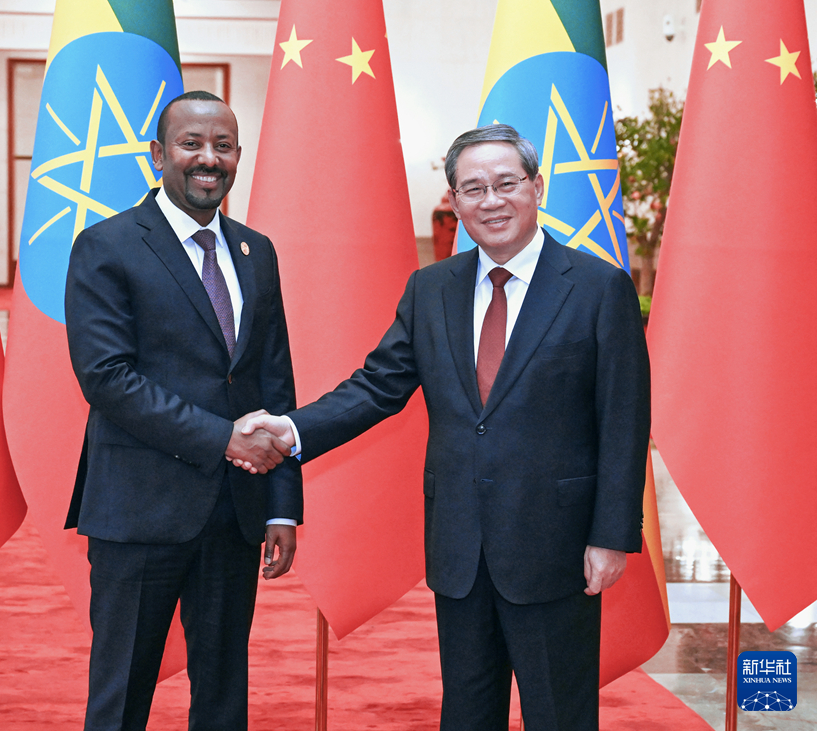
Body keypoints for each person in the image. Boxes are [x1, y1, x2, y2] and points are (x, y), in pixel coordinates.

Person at [240, 125, 650, 730]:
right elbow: (377, 386)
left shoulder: (598, 287)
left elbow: (624, 421)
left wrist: (611, 535)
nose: (492, 201)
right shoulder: (431, 288)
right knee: (466, 712)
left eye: (507, 183)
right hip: (460, 546)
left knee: (560, 714)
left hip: (556, 547)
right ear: (454, 201)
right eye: (473, 189)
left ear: (537, 187)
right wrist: (291, 430)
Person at [64, 90, 302, 731]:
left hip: (235, 511)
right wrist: (225, 438)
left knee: (223, 696)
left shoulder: (257, 251)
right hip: (138, 508)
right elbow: (107, 378)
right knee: (121, 695)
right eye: (191, 144)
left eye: (223, 146)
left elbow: (273, 382)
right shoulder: (107, 244)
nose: (208, 159)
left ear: (238, 156)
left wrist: (281, 505)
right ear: (158, 154)